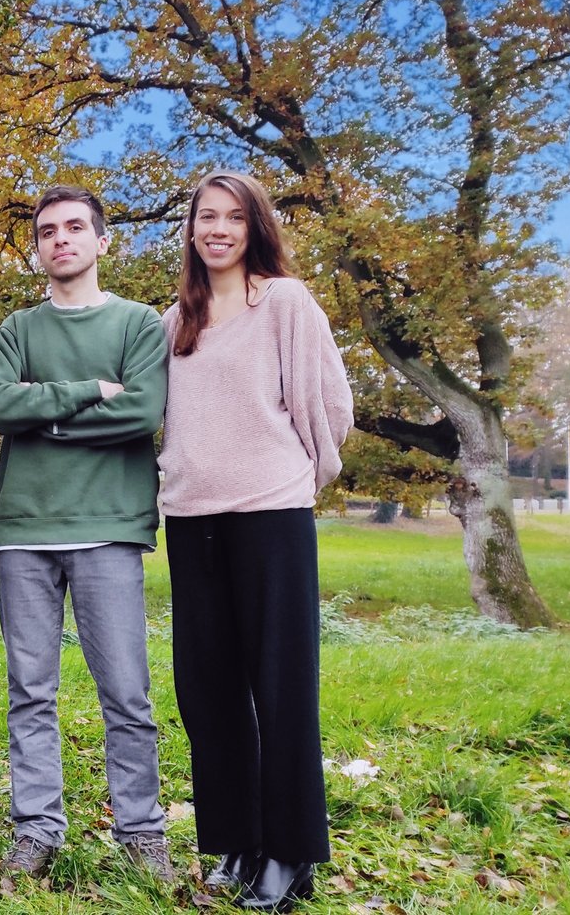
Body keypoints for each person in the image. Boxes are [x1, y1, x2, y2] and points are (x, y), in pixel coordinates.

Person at [158, 172, 350, 910]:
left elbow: (330, 403)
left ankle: (290, 852)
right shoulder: (176, 319)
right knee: (209, 690)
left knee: (281, 685)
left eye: (233, 218)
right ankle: (236, 840)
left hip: (270, 514)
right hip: (192, 518)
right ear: (191, 229)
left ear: (254, 227)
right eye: (206, 216)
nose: (218, 229)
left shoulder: (286, 304)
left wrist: (298, 475)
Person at [0, 186, 175, 881]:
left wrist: (47, 421)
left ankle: (142, 832)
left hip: (109, 529)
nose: (60, 239)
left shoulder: (138, 324)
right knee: (30, 691)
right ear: (38, 250)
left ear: (101, 240)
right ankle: (36, 828)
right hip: (25, 532)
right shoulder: (17, 329)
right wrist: (89, 391)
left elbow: (143, 413)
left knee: (126, 691)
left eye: (73, 228)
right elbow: (0, 404)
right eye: (46, 232)